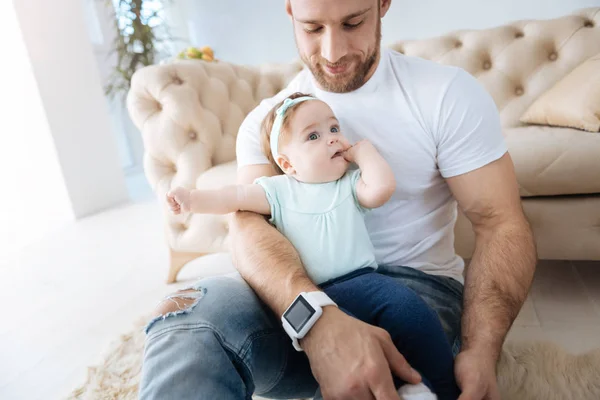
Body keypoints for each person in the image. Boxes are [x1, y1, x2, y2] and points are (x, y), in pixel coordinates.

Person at [139, 0, 537, 399]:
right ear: (290, 9)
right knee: (185, 319)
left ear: (382, 4)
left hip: (418, 293)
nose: (333, 52)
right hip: (301, 291)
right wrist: (315, 320)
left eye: (352, 22)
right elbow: (248, 227)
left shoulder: (446, 93)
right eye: (313, 28)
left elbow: (500, 222)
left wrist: (482, 351)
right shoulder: (269, 125)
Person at [165, 92, 462, 399]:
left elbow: (382, 188)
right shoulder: (278, 191)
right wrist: (192, 199)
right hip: (316, 294)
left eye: (334, 129)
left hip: (366, 281)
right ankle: (400, 390)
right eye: (314, 136)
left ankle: (438, 387)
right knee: (347, 358)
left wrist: (365, 153)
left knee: (411, 310)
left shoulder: (348, 183)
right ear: (287, 163)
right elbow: (233, 198)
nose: (332, 139)